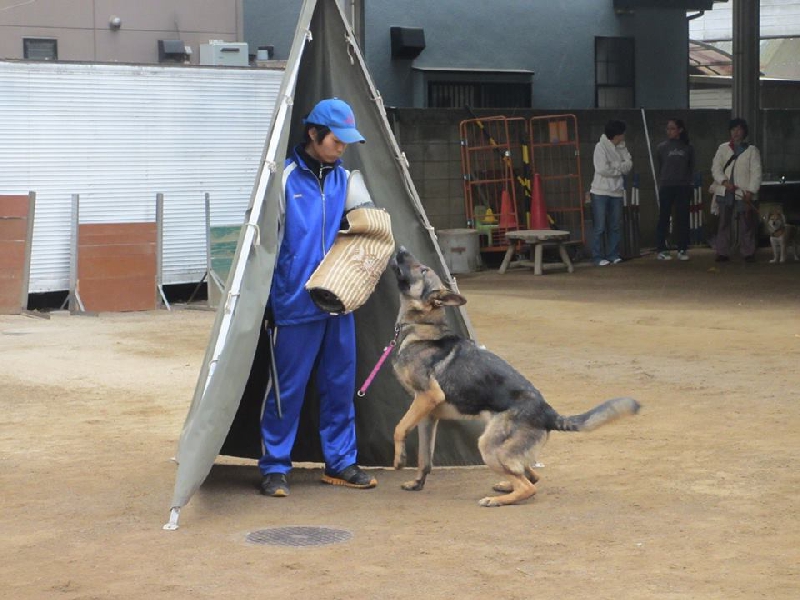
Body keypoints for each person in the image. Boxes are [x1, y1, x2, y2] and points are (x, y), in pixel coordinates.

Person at [258, 98, 377, 497]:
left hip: (340, 303)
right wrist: (269, 301)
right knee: (286, 390)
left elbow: (370, 232)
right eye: (335, 140)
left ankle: (340, 463)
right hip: (293, 304)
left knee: (339, 386)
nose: (341, 147)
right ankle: (275, 467)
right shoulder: (284, 179)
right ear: (313, 133)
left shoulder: (348, 180)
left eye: (346, 141)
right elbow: (264, 247)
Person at [710, 118, 762, 262]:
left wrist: (751, 191)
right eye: (733, 129)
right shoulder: (723, 148)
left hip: (743, 192)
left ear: (744, 131)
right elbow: (716, 168)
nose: (736, 132)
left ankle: (748, 252)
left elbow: (756, 172)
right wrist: (724, 182)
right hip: (725, 191)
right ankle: (722, 251)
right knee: (723, 222)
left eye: (739, 129)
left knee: (747, 222)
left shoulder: (752, 150)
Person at [590, 120, 633, 266]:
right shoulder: (600, 146)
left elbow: (629, 165)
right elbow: (602, 169)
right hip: (600, 191)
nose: (624, 136)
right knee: (600, 226)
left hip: (617, 192)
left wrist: (614, 166)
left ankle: (613, 254)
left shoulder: (622, 147)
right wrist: (619, 168)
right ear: (617, 135)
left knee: (615, 225)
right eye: (622, 133)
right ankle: (597, 256)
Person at [654, 119, 695, 261]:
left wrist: (689, 184)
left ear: (680, 130)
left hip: (683, 187)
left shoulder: (688, 147)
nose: (669, 131)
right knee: (664, 217)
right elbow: (660, 166)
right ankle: (661, 248)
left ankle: (682, 248)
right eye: (668, 129)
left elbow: (691, 167)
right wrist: (663, 181)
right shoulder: (662, 147)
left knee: (682, 218)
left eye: (672, 128)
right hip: (666, 186)